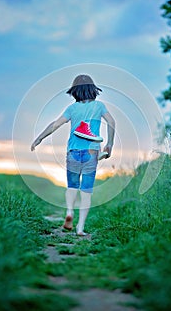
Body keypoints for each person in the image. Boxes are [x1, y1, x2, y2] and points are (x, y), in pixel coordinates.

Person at [31, 74, 115, 236]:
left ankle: (69, 211)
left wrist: (39, 138)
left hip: (73, 152)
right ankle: (80, 228)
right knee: (86, 191)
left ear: (74, 91)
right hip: (92, 152)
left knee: (72, 186)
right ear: (93, 90)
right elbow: (112, 122)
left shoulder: (72, 109)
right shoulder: (99, 106)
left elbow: (55, 125)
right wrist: (109, 143)